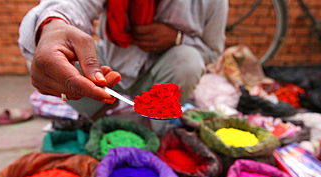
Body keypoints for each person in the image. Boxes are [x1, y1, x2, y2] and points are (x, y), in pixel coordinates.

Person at [18, 0, 228, 121]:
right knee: (45, 60)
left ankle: (151, 125)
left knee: (189, 60)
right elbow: (73, 3)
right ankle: (100, 119)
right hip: (109, 69)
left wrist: (178, 39)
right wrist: (54, 24)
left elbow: (212, 50)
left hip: (158, 75)